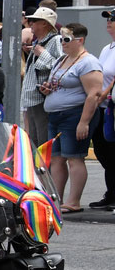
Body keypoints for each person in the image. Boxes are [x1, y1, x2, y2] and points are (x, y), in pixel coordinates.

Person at [42, 23, 105, 214]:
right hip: (56, 115)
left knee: (74, 158)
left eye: (67, 39)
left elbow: (94, 93)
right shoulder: (62, 59)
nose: (63, 43)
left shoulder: (88, 62)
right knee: (56, 158)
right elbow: (60, 83)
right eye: (61, 39)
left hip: (74, 114)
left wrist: (84, 121)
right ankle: (57, 198)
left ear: (80, 40)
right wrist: (47, 89)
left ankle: (74, 201)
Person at [21, 7, 64, 147]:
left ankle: (46, 169)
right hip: (33, 99)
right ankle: (40, 169)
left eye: (34, 20)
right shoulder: (38, 42)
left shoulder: (56, 40)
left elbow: (63, 66)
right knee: (35, 141)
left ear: (45, 23)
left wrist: (43, 53)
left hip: (43, 99)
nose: (30, 23)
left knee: (43, 141)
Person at [90, 9, 115, 209]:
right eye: (108, 18)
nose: (109, 22)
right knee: (102, 149)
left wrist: (105, 93)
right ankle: (112, 192)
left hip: (110, 104)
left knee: (112, 150)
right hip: (103, 107)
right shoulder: (107, 48)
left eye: (113, 19)